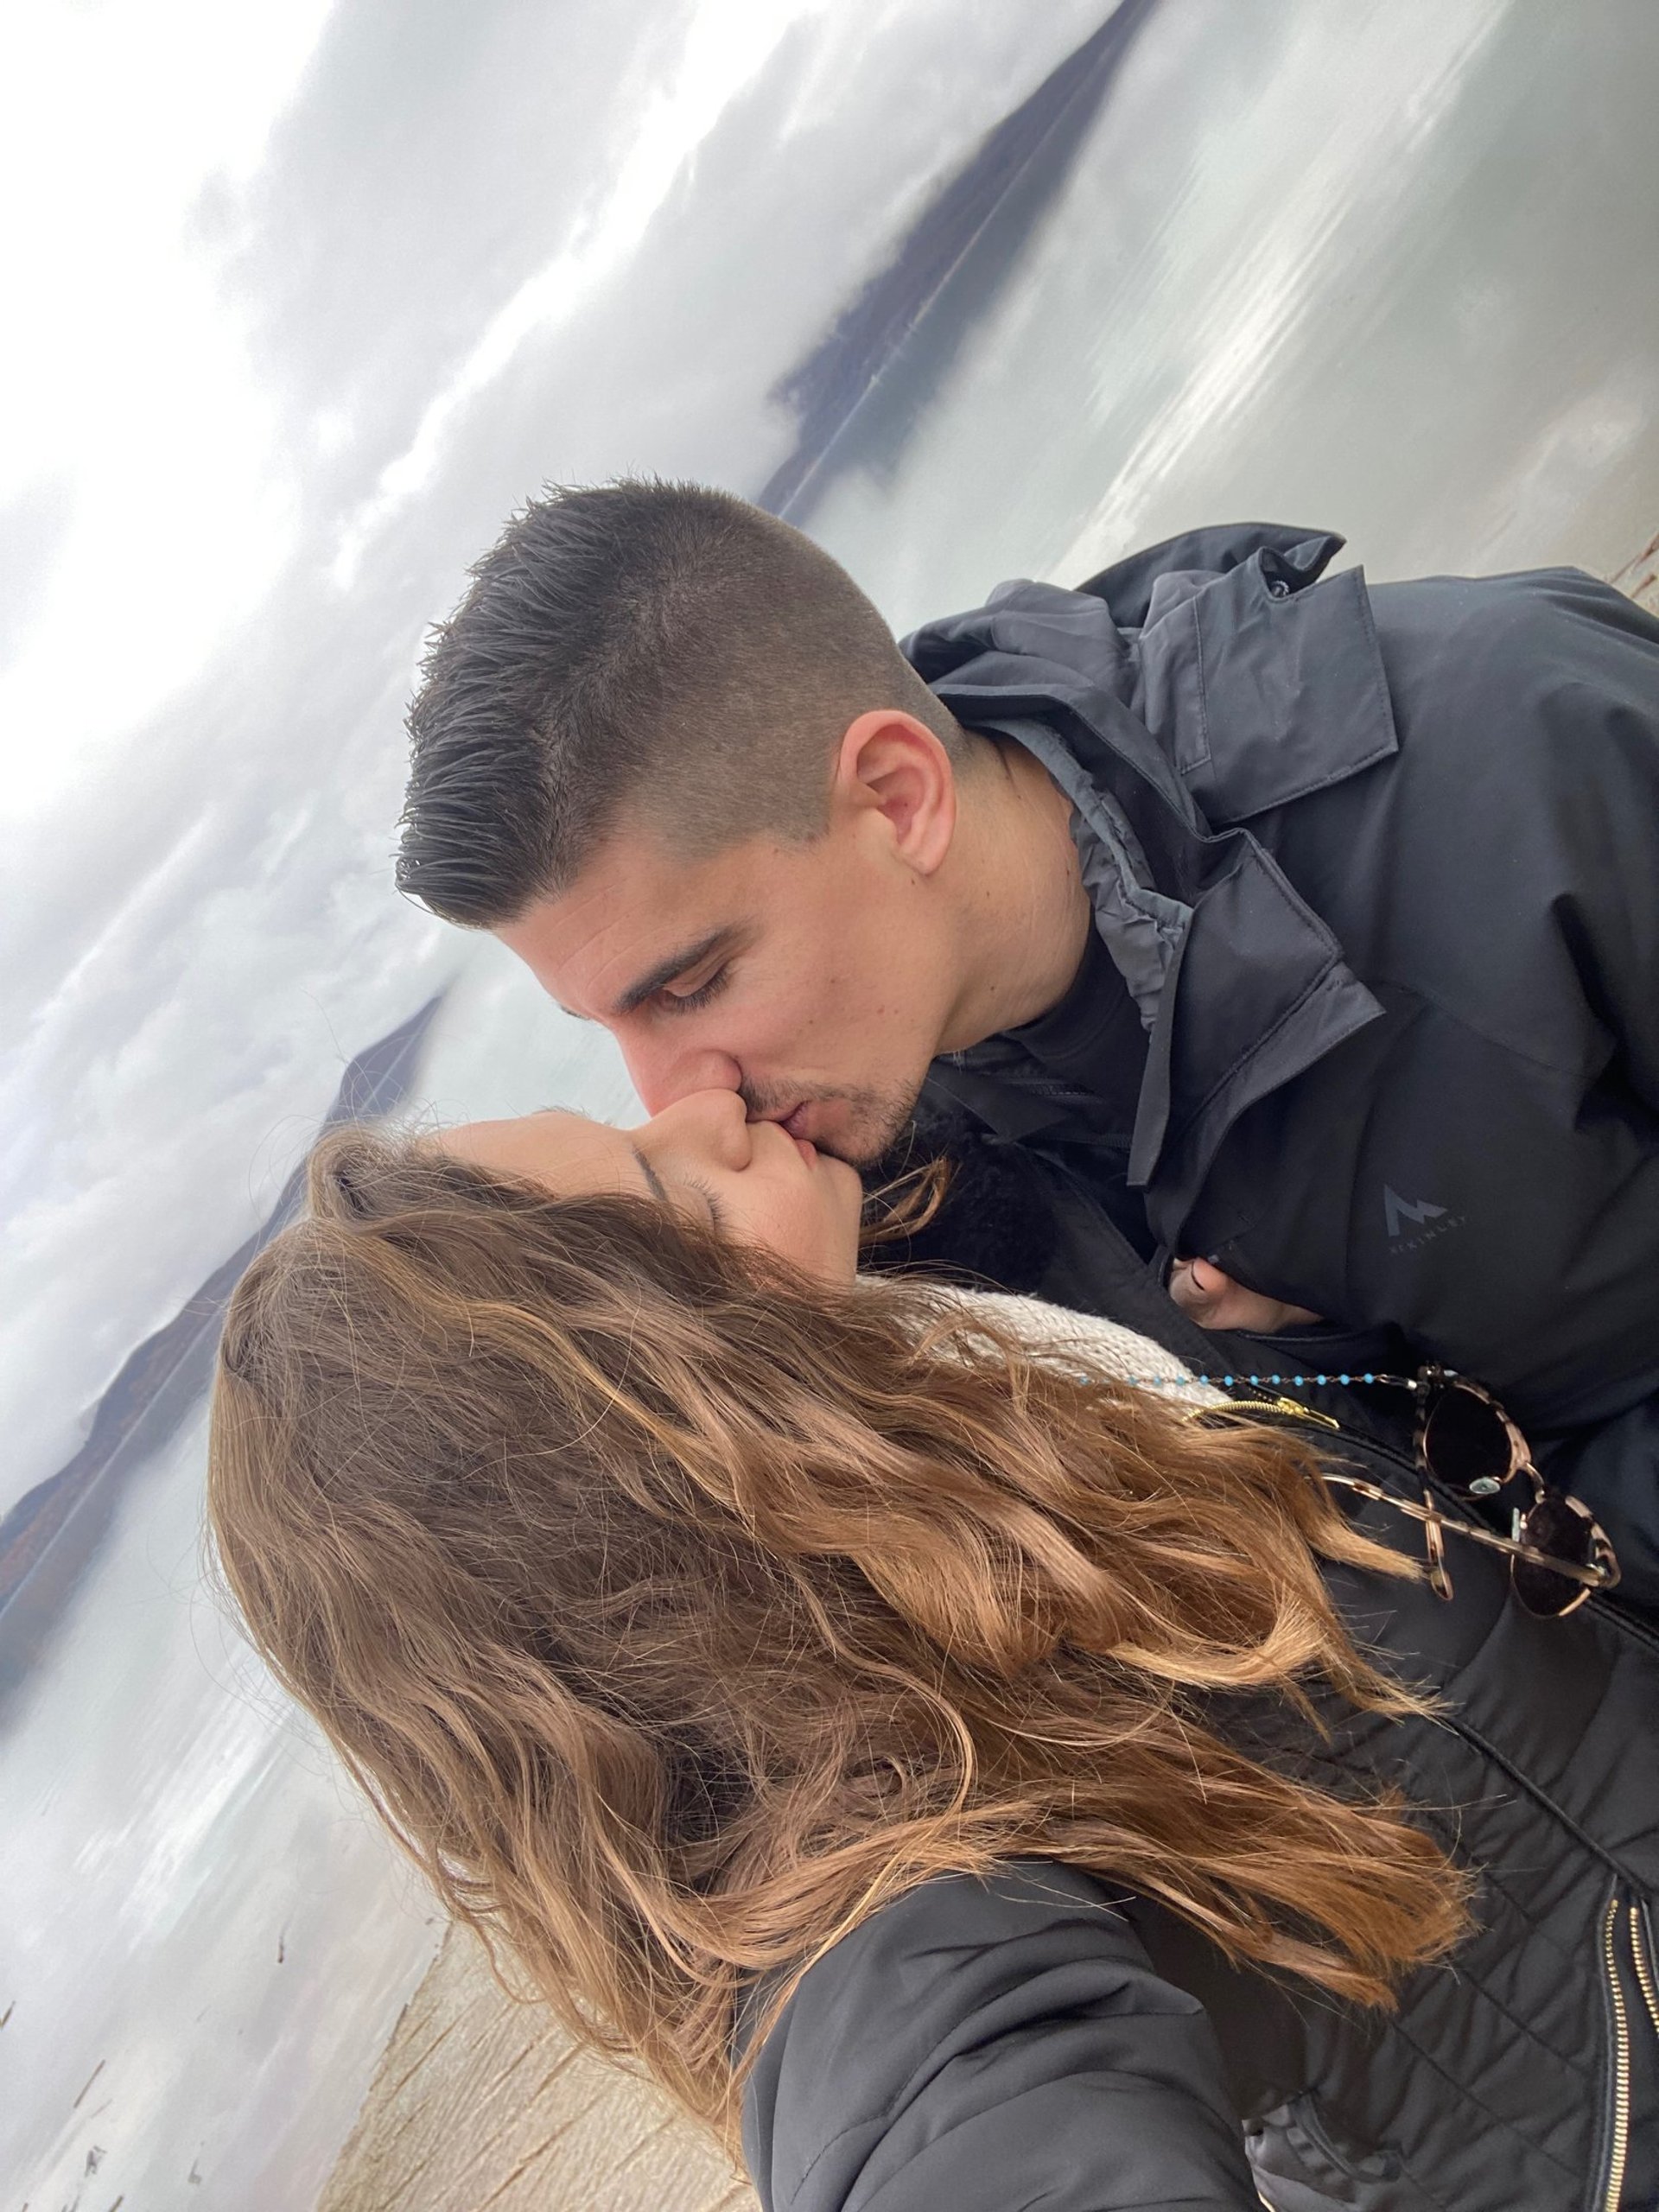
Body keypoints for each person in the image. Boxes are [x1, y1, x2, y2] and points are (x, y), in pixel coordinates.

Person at [207, 1093, 1657, 2209]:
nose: (705, 1104)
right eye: (669, 1177)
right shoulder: (873, 1877)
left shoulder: (962, 1356)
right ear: (668, 1451)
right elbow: (954, 2108)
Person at [392, 481, 1659, 1611]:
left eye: (696, 983)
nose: (677, 1096)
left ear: (898, 795)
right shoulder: (897, 1195)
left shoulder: (1521, 741)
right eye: (604, 1026)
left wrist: (1583, 1560)